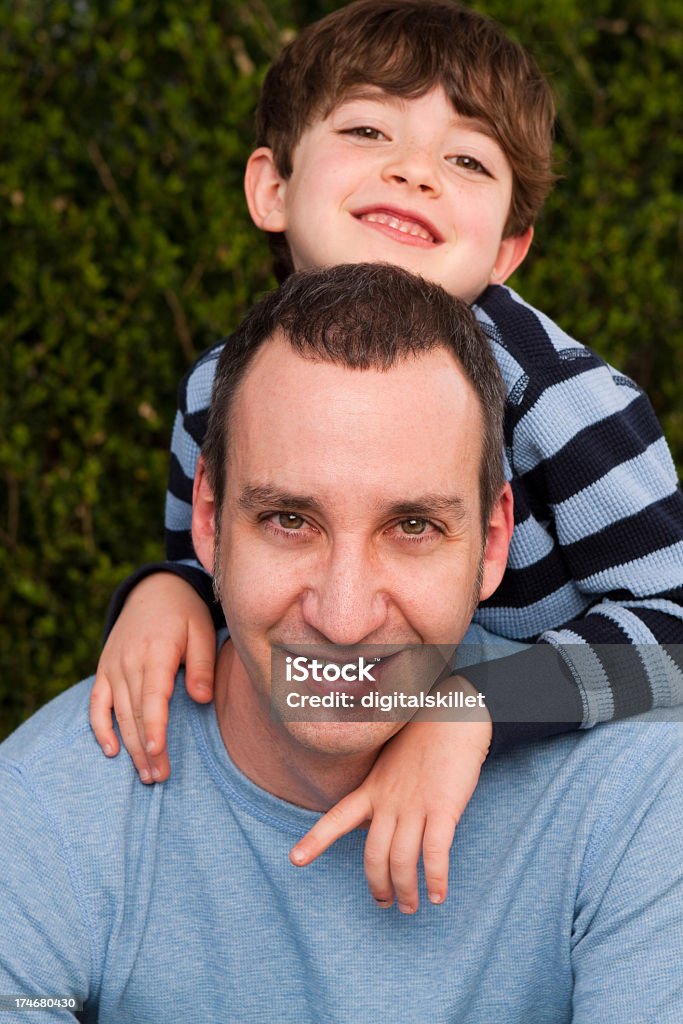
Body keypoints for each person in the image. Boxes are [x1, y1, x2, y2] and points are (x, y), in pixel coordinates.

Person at [91, 0, 683, 913]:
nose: (413, 171)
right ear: (272, 188)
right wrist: (162, 593)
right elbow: (219, 568)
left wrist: (473, 708)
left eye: (467, 160)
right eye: (368, 128)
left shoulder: (565, 401)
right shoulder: (220, 391)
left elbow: (676, 635)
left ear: (508, 247)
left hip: (553, 809)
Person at [2, 265, 682, 1023]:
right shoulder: (49, 805)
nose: (345, 616)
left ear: (492, 544)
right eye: (289, 520)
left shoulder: (637, 802)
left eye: (412, 527)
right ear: (207, 519)